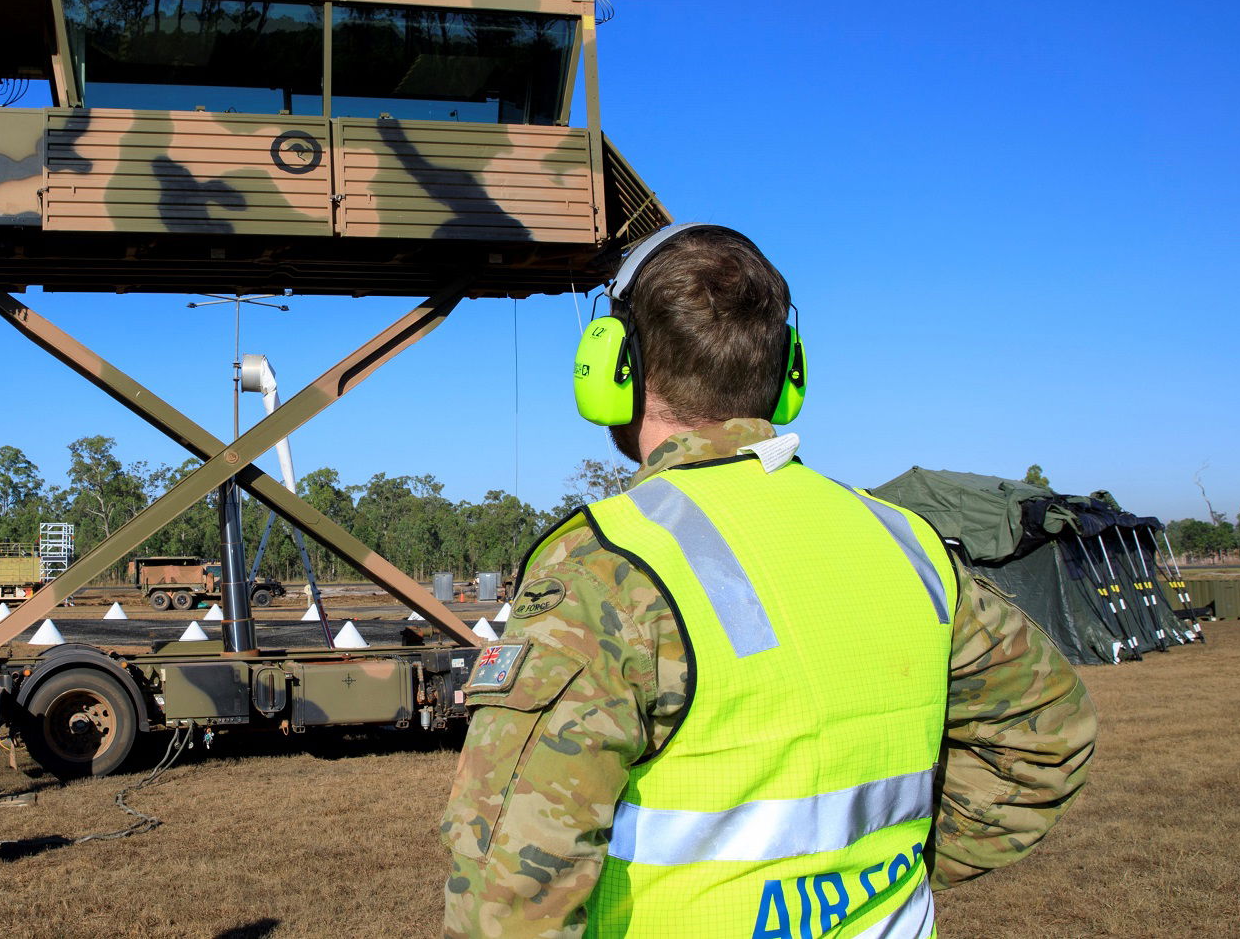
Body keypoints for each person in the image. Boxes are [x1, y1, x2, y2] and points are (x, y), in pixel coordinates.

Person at [441, 224, 1095, 938]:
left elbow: (505, 893)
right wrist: (891, 863)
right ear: (790, 375)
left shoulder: (607, 569)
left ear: (613, 368)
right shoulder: (906, 543)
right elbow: (1047, 736)